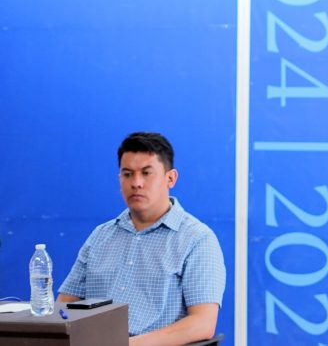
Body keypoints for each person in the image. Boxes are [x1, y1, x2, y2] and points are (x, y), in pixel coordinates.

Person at [57, 132, 225, 346]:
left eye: (147, 173)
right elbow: (63, 307)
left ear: (170, 178)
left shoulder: (197, 239)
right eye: (127, 174)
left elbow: (202, 323)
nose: (136, 183)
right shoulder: (100, 236)